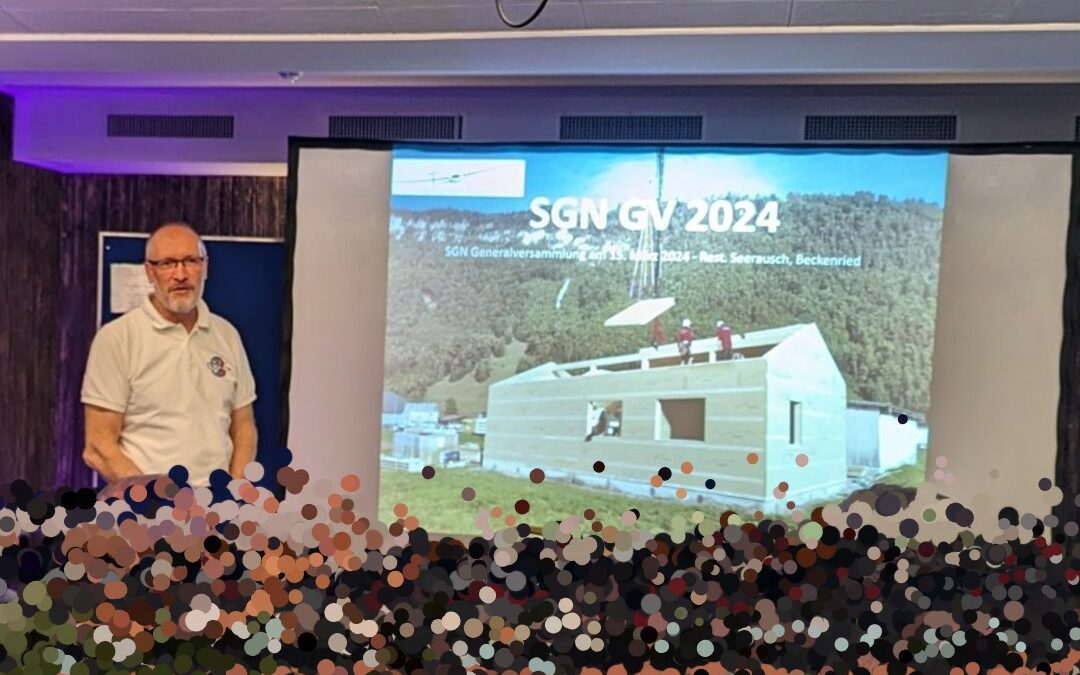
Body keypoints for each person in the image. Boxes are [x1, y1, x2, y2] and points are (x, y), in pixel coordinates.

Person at [81, 222, 258, 490]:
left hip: (216, 507)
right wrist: (159, 498)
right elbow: (98, 446)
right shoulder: (117, 338)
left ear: (205, 267)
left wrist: (235, 496)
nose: (181, 274)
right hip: (146, 508)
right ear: (149, 272)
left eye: (190, 261)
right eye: (167, 263)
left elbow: (243, 427)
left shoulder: (227, 335)